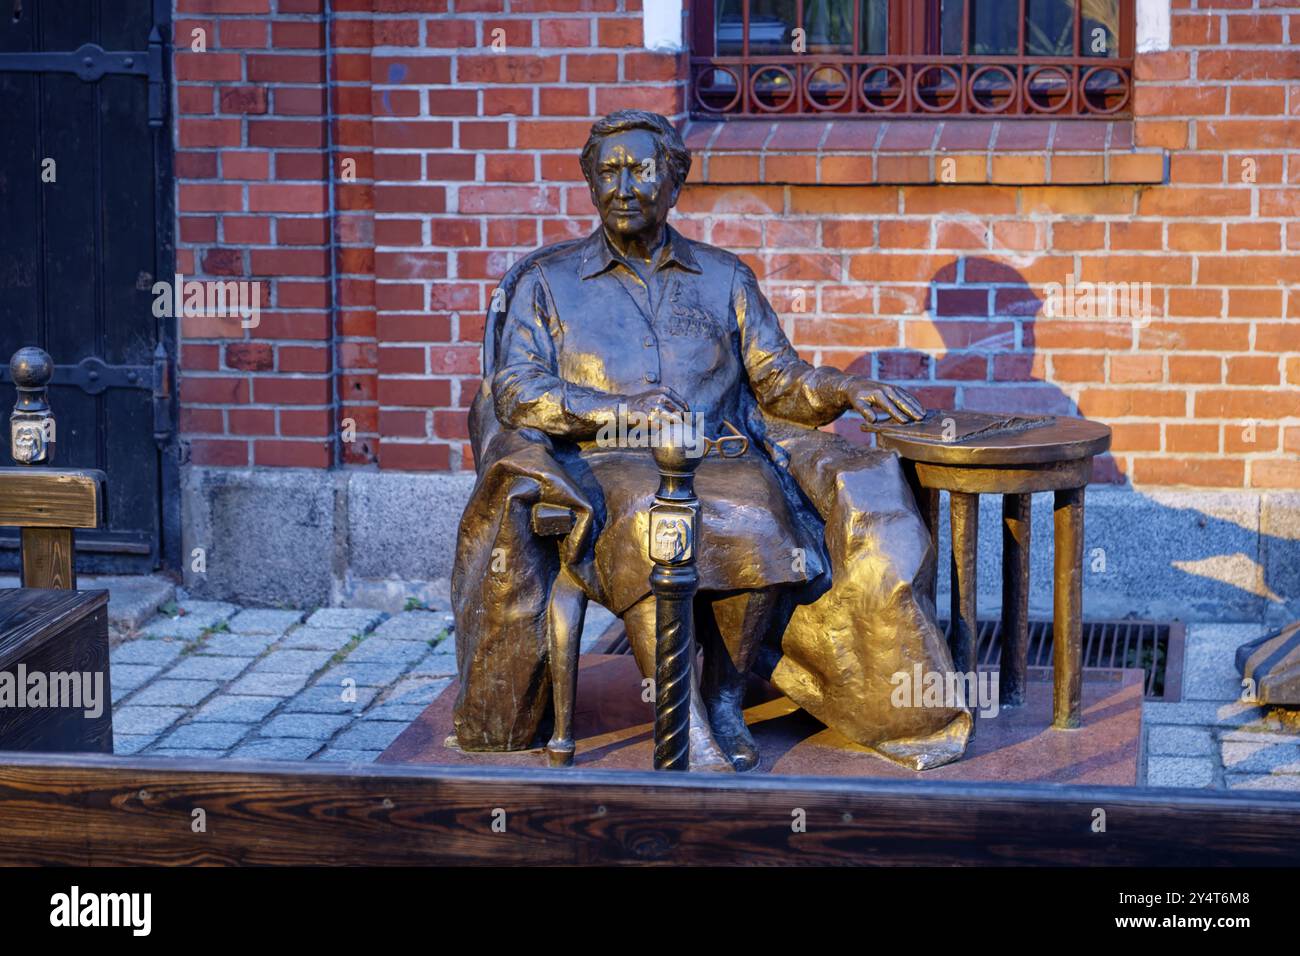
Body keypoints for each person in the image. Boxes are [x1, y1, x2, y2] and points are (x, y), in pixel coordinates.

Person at [461, 110, 971, 771]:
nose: (623, 186)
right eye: (608, 171)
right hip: (606, 457)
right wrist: (621, 409)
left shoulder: (724, 277)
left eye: (640, 169)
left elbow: (779, 381)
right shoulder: (545, 284)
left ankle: (723, 694)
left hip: (719, 456)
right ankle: (682, 718)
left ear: (674, 180)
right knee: (653, 524)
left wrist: (844, 387)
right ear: (589, 182)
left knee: (758, 519)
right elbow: (516, 390)